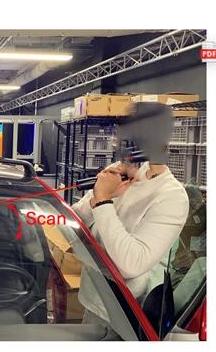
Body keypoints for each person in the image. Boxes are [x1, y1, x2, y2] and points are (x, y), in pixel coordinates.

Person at [71, 103, 189, 324]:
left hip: (128, 316)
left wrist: (103, 201)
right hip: (95, 300)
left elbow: (131, 264)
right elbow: (75, 219)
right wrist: (99, 195)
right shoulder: (123, 171)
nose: (116, 145)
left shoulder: (171, 197)